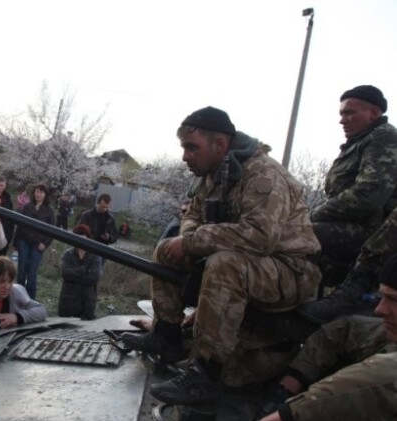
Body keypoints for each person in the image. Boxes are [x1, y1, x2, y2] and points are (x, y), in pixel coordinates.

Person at [122, 106, 321, 404]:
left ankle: (206, 373)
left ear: (220, 145)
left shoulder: (262, 174)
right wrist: (187, 239)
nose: (185, 156)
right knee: (167, 249)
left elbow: (260, 236)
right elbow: (194, 215)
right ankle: (167, 336)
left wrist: (193, 242)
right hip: (253, 263)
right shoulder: (213, 175)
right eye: (184, 147)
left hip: (291, 270)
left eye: (192, 147)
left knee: (225, 265)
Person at [224, 253, 397, 421]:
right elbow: (339, 333)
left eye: (394, 300)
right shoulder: (382, 333)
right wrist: (288, 386)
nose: (380, 310)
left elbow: (375, 381)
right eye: (382, 297)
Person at [311, 85, 397, 286]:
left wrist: (312, 215)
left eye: (349, 113)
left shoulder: (383, 137)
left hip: (378, 236)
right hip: (356, 226)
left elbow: (370, 194)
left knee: (301, 233)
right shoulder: (358, 143)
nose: (342, 120)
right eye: (341, 114)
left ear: (373, 113)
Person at [14, 183, 55, 299]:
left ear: (45, 195)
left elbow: (52, 230)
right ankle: (18, 297)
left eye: (41, 192)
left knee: (32, 273)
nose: (38, 194)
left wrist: (45, 243)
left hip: (38, 244)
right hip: (24, 240)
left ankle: (30, 299)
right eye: (37, 191)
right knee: (21, 271)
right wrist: (15, 241)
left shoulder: (49, 210)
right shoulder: (27, 206)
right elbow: (20, 225)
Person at [58, 224, 102, 320]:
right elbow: (65, 273)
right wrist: (83, 270)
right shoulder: (68, 254)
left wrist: (73, 277)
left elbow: (94, 277)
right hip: (68, 301)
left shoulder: (95, 256)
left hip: (87, 301)